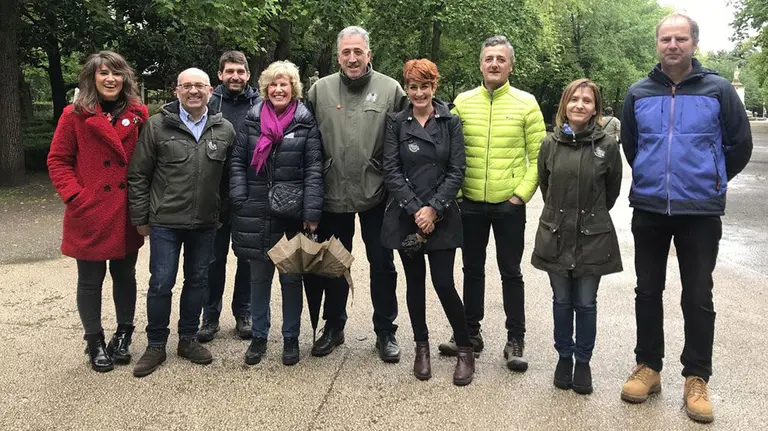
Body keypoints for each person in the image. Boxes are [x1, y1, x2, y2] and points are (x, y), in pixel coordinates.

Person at [619, 13, 752, 423]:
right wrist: (655, 178)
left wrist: (710, 180)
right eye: (665, 39)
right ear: (657, 44)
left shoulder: (718, 90)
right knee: (647, 291)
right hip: (650, 208)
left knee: (697, 296)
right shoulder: (639, 93)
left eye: (680, 38)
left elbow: (739, 145)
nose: (672, 45)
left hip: (700, 212)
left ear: (694, 43)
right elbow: (632, 144)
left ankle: (696, 377)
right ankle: (649, 367)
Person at [438, 35, 546, 373]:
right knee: (471, 269)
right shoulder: (463, 102)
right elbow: (450, 150)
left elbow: (539, 156)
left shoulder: (526, 103)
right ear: (481, 64)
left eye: (501, 59)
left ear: (510, 65)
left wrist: (522, 195)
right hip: (469, 201)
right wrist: (454, 194)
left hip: (508, 204)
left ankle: (515, 338)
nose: (494, 64)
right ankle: (470, 334)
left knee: (511, 272)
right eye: (489, 59)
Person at [305, 26, 408, 363]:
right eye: (346, 52)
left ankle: (385, 331)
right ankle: (334, 327)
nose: (352, 58)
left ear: (368, 54)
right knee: (333, 265)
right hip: (332, 191)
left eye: (358, 51)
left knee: (382, 264)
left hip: (377, 194)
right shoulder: (319, 90)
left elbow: (407, 137)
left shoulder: (390, 90)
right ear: (339, 56)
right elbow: (305, 137)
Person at [128, 68, 236, 378]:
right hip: (165, 222)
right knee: (161, 282)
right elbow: (138, 175)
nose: (193, 91)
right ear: (177, 91)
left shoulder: (224, 128)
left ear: (210, 91)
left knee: (197, 281)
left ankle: (187, 339)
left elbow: (229, 178)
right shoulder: (157, 127)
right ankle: (156, 344)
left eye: (199, 86)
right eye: (186, 86)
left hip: (205, 222)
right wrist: (140, 218)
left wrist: (222, 212)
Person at [47, 51, 149, 373]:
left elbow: (146, 162)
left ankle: (123, 335)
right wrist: (77, 197)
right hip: (89, 212)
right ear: (92, 78)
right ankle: (94, 341)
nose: (110, 79)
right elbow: (58, 160)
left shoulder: (138, 114)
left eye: (116, 73)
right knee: (90, 281)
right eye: (104, 73)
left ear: (125, 79)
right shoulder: (73, 115)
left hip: (125, 212)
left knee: (125, 276)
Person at [381, 59, 474, 385]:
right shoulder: (395, 122)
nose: (419, 92)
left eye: (425, 86)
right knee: (415, 284)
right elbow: (390, 169)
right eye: (413, 86)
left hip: (443, 215)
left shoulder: (451, 122)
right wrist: (415, 209)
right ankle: (421, 347)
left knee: (444, 283)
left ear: (434, 87)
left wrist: (433, 209)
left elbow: (456, 170)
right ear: (407, 88)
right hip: (408, 216)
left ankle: (465, 349)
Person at [532, 78, 623, 395]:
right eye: (574, 100)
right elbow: (546, 188)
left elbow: (611, 193)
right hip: (555, 233)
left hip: (592, 237)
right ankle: (564, 356)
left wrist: (588, 216)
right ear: (564, 105)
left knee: (585, 303)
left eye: (587, 100)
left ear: (595, 107)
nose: (580, 105)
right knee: (561, 301)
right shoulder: (550, 144)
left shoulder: (607, 147)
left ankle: (583, 360)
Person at [230, 60, 323, 366]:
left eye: (285, 84)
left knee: (291, 279)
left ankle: (290, 338)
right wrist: (240, 198)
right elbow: (238, 163)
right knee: (258, 280)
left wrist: (311, 211)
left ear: (293, 88)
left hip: (291, 214)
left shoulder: (305, 122)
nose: (279, 89)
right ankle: (259, 337)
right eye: (274, 84)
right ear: (266, 88)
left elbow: (313, 169)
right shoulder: (252, 120)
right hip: (255, 209)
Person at [198, 51, 261, 343]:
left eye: (240, 71)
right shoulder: (209, 104)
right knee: (213, 258)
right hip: (215, 192)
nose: (235, 76)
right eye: (229, 71)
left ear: (248, 75)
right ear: (220, 75)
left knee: (247, 258)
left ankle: (244, 313)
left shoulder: (260, 104)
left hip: (249, 191)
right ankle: (209, 316)